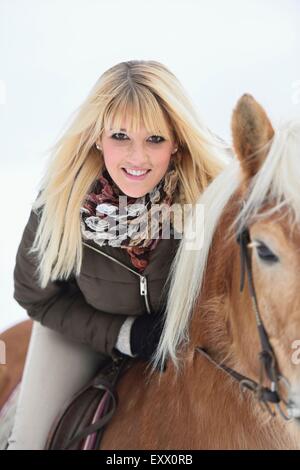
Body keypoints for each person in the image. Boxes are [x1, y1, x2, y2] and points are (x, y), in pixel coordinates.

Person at [7, 60, 225, 449]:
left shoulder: (211, 197)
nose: (137, 158)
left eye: (155, 139)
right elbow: (34, 296)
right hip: (81, 333)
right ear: (97, 136)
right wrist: (125, 334)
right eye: (120, 136)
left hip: (183, 339)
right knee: (29, 442)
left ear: (177, 140)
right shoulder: (59, 202)